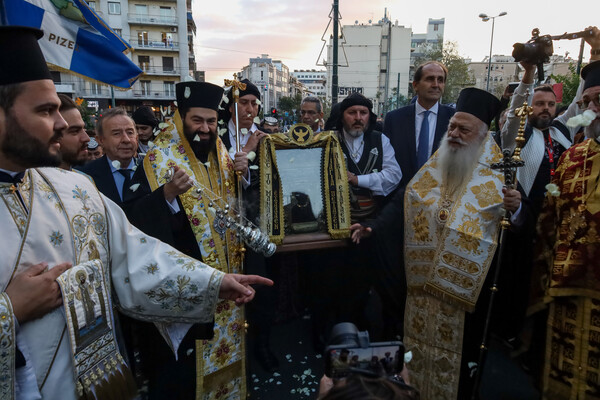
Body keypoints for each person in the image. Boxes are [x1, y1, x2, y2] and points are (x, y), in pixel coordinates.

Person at [0, 25, 272, 400]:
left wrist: (212, 283)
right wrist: (7, 311)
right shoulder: (153, 161)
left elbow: (135, 256)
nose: (62, 124)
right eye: (46, 110)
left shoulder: (73, 189)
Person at [351, 87, 535, 399]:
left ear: (481, 134)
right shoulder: (437, 163)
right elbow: (404, 201)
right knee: (414, 354)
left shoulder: (499, 171)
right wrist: (375, 228)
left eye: (464, 129)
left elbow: (520, 224)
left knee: (463, 365)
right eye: (452, 127)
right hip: (421, 287)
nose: (454, 134)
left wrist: (517, 209)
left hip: (466, 295)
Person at [123, 80, 260, 397]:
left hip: (228, 279)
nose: (205, 128)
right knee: (186, 378)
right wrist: (167, 194)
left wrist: (245, 172)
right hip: (189, 290)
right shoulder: (156, 159)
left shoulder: (222, 153)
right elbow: (132, 219)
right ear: (180, 117)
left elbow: (237, 209)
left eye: (211, 121)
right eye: (197, 120)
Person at [535, 57, 600, 399]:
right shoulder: (573, 156)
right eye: (586, 102)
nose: (590, 110)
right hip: (567, 290)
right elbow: (549, 216)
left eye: (598, 101)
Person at [383, 61, 455, 187]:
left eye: (440, 80)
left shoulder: (454, 119)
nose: (436, 85)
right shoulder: (394, 119)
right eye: (430, 79)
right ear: (415, 85)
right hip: (401, 197)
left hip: (441, 197)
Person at [78, 108, 141, 205]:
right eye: (117, 133)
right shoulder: (84, 176)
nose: (126, 139)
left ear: (136, 138)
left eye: (130, 132)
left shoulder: (152, 170)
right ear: (100, 140)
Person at [57, 94, 90, 170]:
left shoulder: (86, 179)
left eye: (84, 129)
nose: (87, 138)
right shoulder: (30, 180)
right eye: (75, 131)